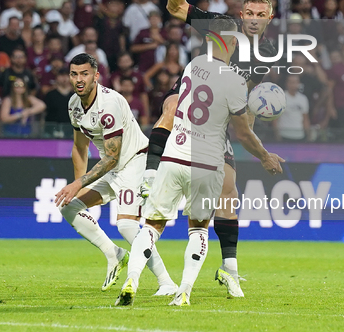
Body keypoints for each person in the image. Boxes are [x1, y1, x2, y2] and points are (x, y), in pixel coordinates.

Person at [115, 18, 284, 306]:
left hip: (174, 155)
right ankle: (184, 291)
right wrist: (265, 156)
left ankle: (132, 279)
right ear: (231, 43)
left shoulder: (193, 67)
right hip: (207, 164)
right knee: (198, 229)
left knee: (152, 227)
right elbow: (242, 132)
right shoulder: (234, 81)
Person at [140, 0, 279, 297]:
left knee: (229, 190)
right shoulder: (221, 24)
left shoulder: (263, 57)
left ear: (269, 18)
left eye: (260, 14)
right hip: (192, 99)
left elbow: (244, 108)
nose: (253, 18)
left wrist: (248, 137)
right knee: (171, 105)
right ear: (241, 12)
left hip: (219, 120)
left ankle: (229, 268)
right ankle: (149, 176)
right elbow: (175, 7)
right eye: (249, 11)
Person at [54, 53, 177, 295]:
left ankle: (166, 282)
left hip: (134, 162)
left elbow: (111, 157)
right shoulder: (74, 105)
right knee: (68, 207)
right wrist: (77, 186)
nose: (79, 79)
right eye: (74, 74)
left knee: (126, 226)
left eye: (84, 74)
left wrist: (79, 182)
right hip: (112, 168)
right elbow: (79, 148)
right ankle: (115, 255)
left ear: (96, 76)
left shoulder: (108, 104)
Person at [274, 75, 310, 141]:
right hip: (285, 134)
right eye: (291, 82)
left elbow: (305, 118)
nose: (293, 84)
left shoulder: (303, 98)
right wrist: (277, 134)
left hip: (299, 135)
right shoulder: (281, 97)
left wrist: (308, 134)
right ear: (287, 84)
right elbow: (275, 118)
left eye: (295, 82)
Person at [44, 67, 73, 137]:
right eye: (62, 75)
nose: (64, 78)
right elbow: (45, 113)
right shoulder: (50, 95)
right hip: (51, 130)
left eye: (67, 76)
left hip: (70, 131)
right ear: (57, 78)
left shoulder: (75, 96)